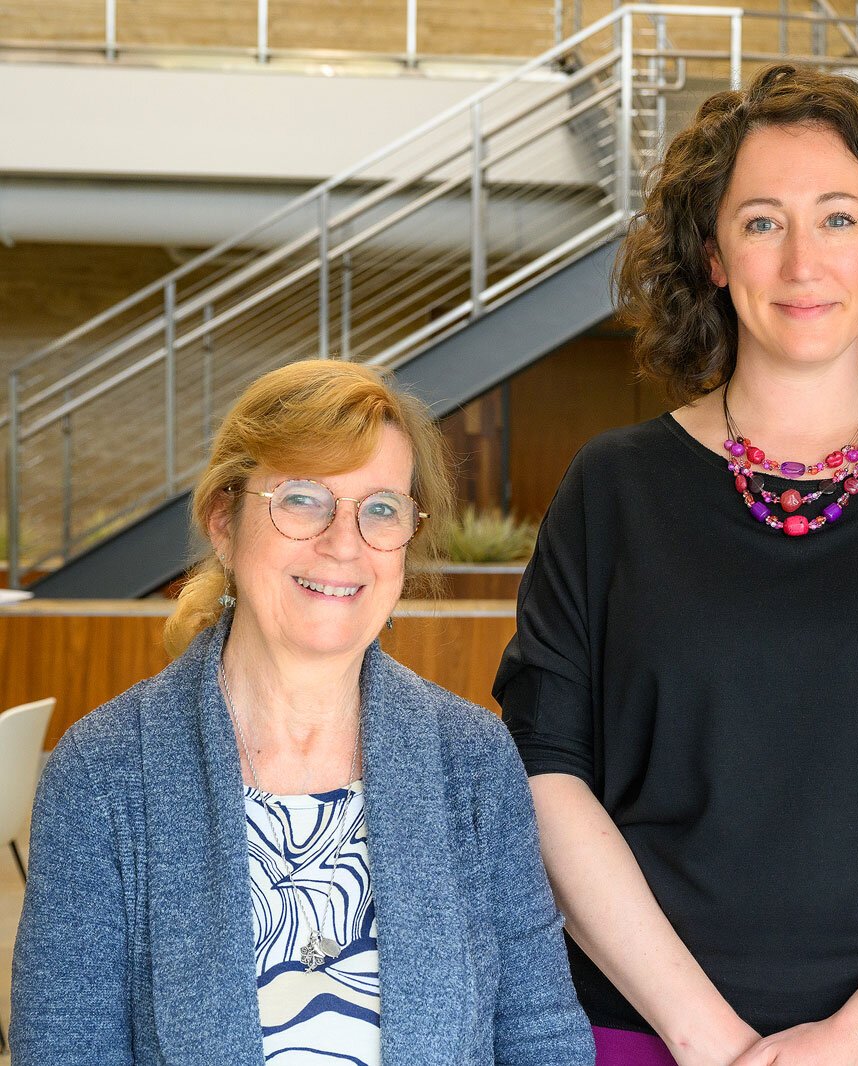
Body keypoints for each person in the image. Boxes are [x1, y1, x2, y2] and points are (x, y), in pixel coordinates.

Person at [494, 64, 858, 1066]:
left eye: (837, 218)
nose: (802, 260)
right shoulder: (612, 489)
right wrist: (705, 1037)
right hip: (637, 1030)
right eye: (761, 222)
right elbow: (546, 772)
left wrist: (855, 1039)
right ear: (712, 255)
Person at [11, 360, 593, 1066]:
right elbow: (65, 1049)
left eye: (381, 508)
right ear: (224, 521)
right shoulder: (104, 773)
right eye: (303, 499)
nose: (343, 543)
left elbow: (541, 1036)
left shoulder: (470, 759)